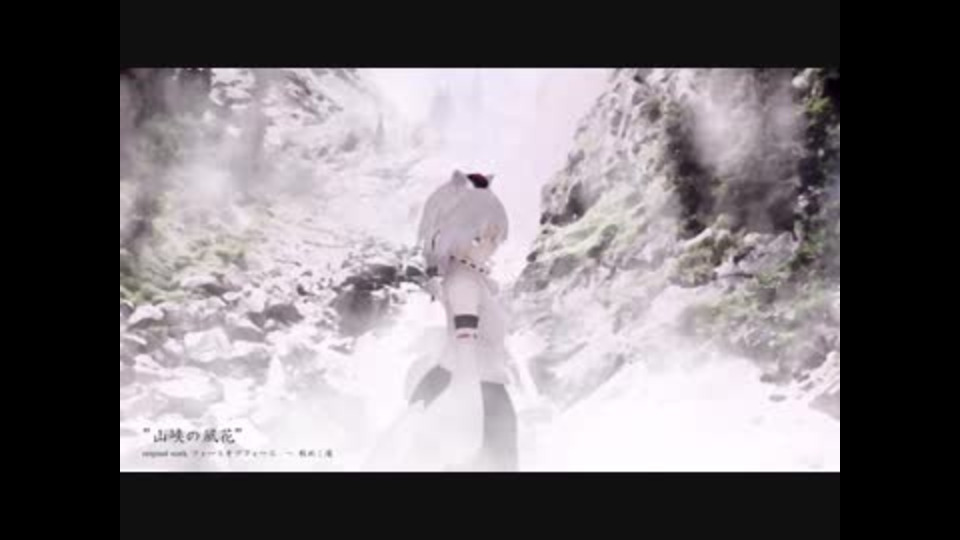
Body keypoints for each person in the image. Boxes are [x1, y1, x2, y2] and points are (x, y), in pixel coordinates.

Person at [367, 170, 518, 471]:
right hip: (475, 391)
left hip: (474, 389)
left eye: (495, 237)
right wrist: (467, 410)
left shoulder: (468, 279)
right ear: (461, 234)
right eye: (485, 237)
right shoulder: (464, 283)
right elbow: (465, 349)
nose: (493, 245)